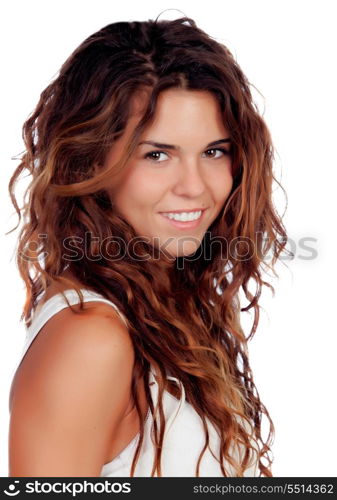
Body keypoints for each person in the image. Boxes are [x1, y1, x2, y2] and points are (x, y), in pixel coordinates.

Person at [7, 15, 288, 477]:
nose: (194, 187)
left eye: (214, 151)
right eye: (157, 155)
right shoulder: (90, 340)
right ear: (90, 159)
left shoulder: (162, 306)